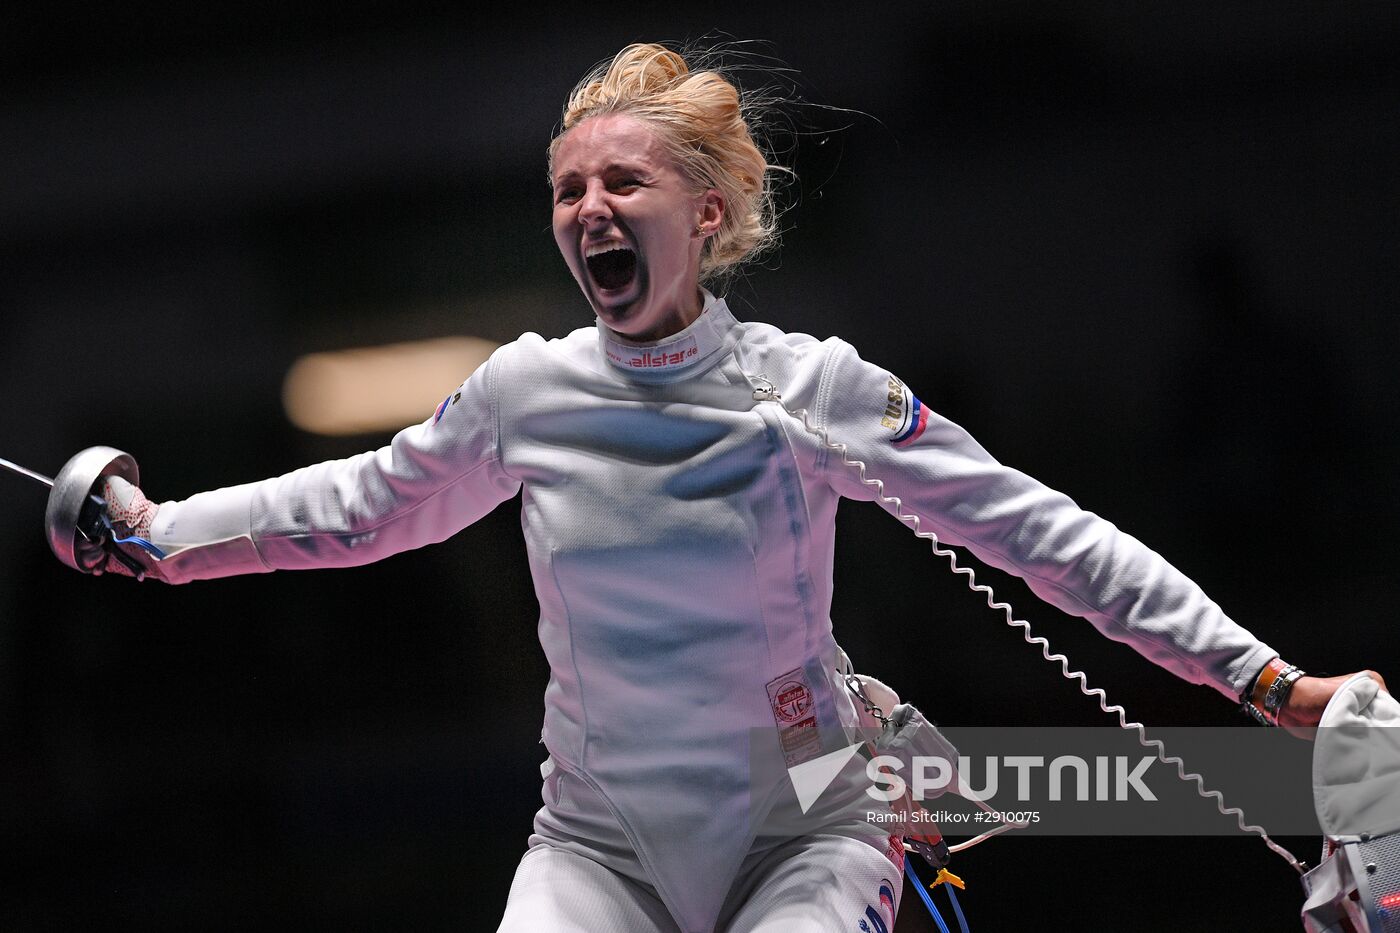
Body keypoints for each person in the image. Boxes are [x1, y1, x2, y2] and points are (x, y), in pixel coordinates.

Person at [82, 43, 1384, 932]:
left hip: (807, 821)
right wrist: (157, 536)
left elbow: (1045, 534)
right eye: (568, 189)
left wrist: (1266, 683)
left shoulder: (807, 388)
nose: (590, 207)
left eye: (624, 182)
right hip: (597, 842)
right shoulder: (523, 396)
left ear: (704, 214)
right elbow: (354, 506)